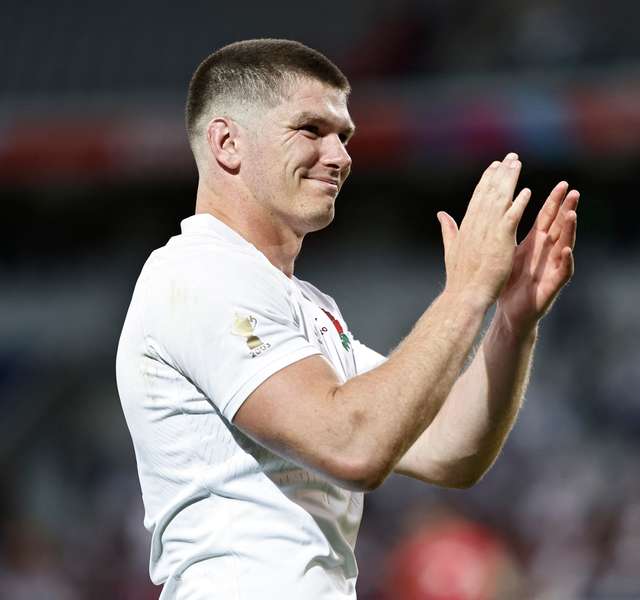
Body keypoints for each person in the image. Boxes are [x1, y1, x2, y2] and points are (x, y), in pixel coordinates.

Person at [116, 38, 579, 599]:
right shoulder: (194, 275)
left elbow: (451, 448)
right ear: (227, 143)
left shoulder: (306, 307)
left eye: (344, 136)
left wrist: (512, 321)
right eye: (311, 130)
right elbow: (353, 447)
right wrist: (466, 294)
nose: (340, 156)